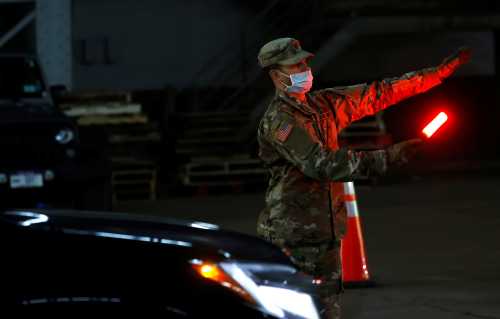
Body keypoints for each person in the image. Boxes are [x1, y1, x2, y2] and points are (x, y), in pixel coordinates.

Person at [255, 37, 470, 318]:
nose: (304, 69)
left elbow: (379, 93)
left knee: (327, 308)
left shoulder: (323, 106)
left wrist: (435, 76)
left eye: (304, 62)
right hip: (293, 237)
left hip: (325, 233)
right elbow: (322, 164)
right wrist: (389, 156)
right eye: (295, 65)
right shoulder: (279, 121)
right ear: (275, 74)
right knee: (295, 312)